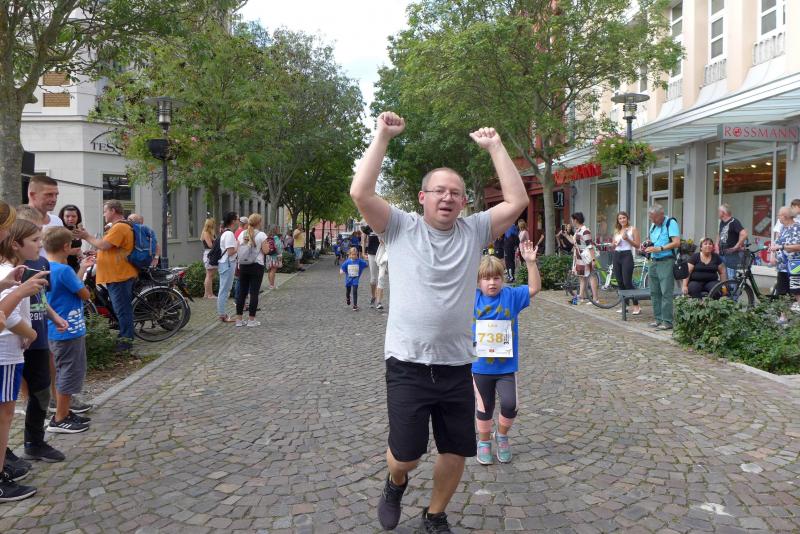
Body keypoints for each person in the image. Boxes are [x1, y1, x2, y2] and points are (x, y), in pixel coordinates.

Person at [351, 111, 527, 533]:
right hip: (407, 363)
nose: (447, 198)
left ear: (464, 203)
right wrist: (382, 137)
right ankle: (395, 482)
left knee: (455, 450)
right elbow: (361, 191)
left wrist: (495, 146)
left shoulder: (473, 231)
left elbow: (517, 201)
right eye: (439, 191)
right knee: (406, 456)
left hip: (457, 364)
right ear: (422, 197)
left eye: (456, 193)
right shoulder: (399, 227)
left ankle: (435, 514)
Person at [472, 240, 540, 465]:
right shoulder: (471, 299)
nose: (492, 283)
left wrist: (531, 263)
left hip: (506, 368)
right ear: (478, 281)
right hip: (479, 367)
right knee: (484, 407)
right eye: (486, 278)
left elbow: (534, 288)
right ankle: (484, 441)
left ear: (502, 279)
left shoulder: (510, 296)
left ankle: (501, 436)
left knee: (510, 404)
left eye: (496, 278)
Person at [0, 219, 44, 502]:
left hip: (8, 351)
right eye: (35, 240)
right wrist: (31, 334)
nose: (40, 245)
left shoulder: (10, 271)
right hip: (5, 352)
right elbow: (9, 316)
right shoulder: (8, 271)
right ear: (15, 244)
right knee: (4, 415)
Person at [43, 228, 94, 434]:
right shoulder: (64, 270)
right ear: (66, 247)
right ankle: (60, 418)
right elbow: (84, 294)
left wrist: (81, 268)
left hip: (54, 329)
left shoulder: (45, 267)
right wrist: (84, 274)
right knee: (69, 372)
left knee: (62, 370)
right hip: (69, 330)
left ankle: (63, 412)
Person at [76, 200, 137, 351]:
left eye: (105, 211)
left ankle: (126, 342)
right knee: (120, 308)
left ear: (113, 211)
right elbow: (112, 249)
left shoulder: (120, 227)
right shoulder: (117, 227)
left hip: (119, 275)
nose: (104, 214)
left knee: (122, 310)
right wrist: (97, 254)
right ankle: (124, 337)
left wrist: (86, 236)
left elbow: (104, 245)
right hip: (115, 274)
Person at [644, 204, 681, 330]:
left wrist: (660, 248)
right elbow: (652, 239)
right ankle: (658, 319)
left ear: (661, 214)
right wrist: (648, 243)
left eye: (654, 218)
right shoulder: (654, 225)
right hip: (654, 260)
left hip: (666, 261)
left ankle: (667, 321)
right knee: (654, 292)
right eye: (651, 218)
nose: (653, 221)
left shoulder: (670, 223)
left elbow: (676, 242)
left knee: (666, 292)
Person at [234, 214, 269, 327]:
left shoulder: (242, 234)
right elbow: (266, 251)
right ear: (259, 222)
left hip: (243, 265)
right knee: (254, 293)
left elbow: (237, 249)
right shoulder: (261, 235)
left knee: (242, 293)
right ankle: (251, 320)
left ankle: (239, 320)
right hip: (256, 266)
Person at [769, 206, 800, 314]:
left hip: (795, 265)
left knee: (796, 291)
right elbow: (777, 243)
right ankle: (783, 317)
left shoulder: (797, 228)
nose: (778, 217)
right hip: (782, 266)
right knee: (782, 292)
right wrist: (773, 253)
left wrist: (782, 247)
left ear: (785, 216)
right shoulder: (783, 228)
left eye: (779, 215)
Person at [612, 212, 641, 315]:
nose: (622, 220)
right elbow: (613, 245)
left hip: (627, 256)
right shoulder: (617, 230)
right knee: (620, 282)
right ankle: (625, 306)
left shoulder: (633, 229)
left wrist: (627, 239)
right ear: (618, 220)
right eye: (620, 218)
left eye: (624, 218)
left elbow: (637, 245)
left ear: (627, 218)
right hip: (616, 255)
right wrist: (615, 244)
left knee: (627, 282)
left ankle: (636, 306)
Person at [27, 176, 64, 256]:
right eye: (49, 194)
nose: (54, 199)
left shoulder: (57, 221)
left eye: (56, 195)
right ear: (33, 195)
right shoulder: (17, 221)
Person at [570, 212, 599, 305]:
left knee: (591, 276)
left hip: (586, 256)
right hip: (580, 256)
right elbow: (575, 243)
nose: (571, 221)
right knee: (581, 276)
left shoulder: (585, 231)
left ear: (576, 220)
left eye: (572, 219)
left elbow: (590, 245)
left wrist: (593, 259)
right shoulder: (578, 230)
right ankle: (581, 296)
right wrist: (566, 235)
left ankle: (595, 298)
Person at [215, 212, 239, 322]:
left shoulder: (226, 233)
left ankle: (222, 313)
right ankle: (222, 315)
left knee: (224, 289)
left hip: (226, 263)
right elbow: (230, 252)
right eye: (237, 219)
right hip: (227, 263)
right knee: (224, 290)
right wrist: (238, 246)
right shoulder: (229, 234)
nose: (238, 221)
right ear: (233, 221)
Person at [717, 204, 747, 281]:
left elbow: (744, 234)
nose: (718, 213)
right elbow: (719, 234)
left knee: (731, 277)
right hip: (722, 253)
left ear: (723, 212)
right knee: (723, 275)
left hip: (731, 255)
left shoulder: (734, 221)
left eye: (719, 211)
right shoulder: (722, 222)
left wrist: (736, 246)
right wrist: (716, 245)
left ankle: (733, 289)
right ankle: (725, 289)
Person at [57, 205, 85, 273]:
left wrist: (81, 254)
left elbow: (76, 247)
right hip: (62, 267)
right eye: (67, 216)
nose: (70, 219)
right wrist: (70, 251)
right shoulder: (58, 231)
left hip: (76, 266)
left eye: (74, 216)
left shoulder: (78, 230)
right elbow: (52, 251)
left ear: (78, 217)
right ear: (62, 217)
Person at [363, 226, 381, 307]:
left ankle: (379, 301)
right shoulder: (368, 228)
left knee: (381, 278)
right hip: (371, 254)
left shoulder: (382, 224)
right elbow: (363, 240)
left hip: (382, 253)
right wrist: (363, 253)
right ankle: (373, 296)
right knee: (373, 279)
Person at [201, 218, 217, 299]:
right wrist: (217, 243)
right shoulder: (206, 233)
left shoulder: (209, 233)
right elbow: (210, 245)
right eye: (213, 224)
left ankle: (206, 294)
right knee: (209, 275)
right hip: (209, 254)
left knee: (209, 275)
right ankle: (210, 294)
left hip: (210, 254)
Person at [266, 225, 283, 290]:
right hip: (275, 256)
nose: (279, 230)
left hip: (268, 255)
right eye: (278, 229)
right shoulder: (276, 237)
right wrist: (280, 254)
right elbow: (278, 246)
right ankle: (272, 285)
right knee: (273, 270)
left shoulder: (268, 236)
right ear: (275, 230)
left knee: (270, 270)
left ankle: (270, 284)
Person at [375, 237, 389, 310]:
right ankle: (378, 302)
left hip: (395, 252)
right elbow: (381, 240)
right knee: (381, 277)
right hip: (384, 253)